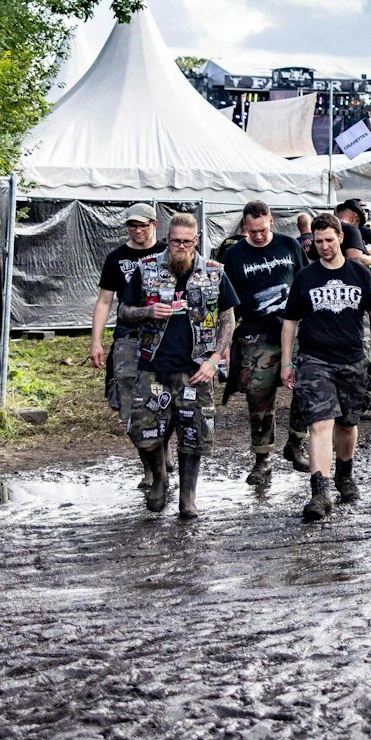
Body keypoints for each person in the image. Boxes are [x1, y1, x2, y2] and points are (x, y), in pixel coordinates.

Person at [117, 213, 239, 520]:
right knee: (144, 431)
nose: (180, 247)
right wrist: (146, 310)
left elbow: (228, 319)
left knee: (193, 435)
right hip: (153, 366)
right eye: (175, 241)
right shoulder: (146, 270)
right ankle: (159, 477)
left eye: (186, 241)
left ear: (196, 241)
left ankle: (188, 497)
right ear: (167, 239)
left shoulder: (214, 272)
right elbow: (123, 311)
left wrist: (214, 359)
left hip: (196, 369)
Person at [280, 215, 371, 523]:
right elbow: (290, 321)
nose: (324, 246)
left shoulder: (359, 273)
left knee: (346, 424)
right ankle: (320, 492)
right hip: (314, 360)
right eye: (318, 241)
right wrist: (286, 362)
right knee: (319, 423)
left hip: (352, 359)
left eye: (329, 240)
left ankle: (344, 473)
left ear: (340, 238)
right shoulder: (306, 277)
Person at [219, 201, 309, 486]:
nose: (257, 235)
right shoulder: (234, 255)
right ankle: (262, 459)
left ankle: (297, 442)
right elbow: (226, 300)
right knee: (258, 394)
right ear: (244, 226)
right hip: (257, 333)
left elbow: (304, 281)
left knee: (307, 386)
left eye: (262, 229)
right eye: (252, 231)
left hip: (294, 328)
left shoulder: (289, 245)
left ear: (271, 220)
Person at [88, 203, 159, 431]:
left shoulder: (167, 252)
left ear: (154, 224)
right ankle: (143, 443)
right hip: (128, 334)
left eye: (142, 226)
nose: (137, 231)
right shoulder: (116, 257)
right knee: (127, 391)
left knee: (160, 391)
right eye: (132, 226)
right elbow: (104, 301)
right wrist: (96, 342)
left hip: (162, 334)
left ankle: (160, 444)